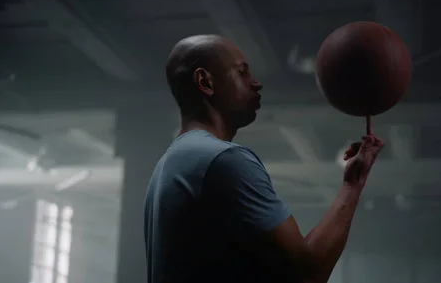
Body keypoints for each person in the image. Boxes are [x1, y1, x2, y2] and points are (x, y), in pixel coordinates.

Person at [144, 34, 385, 283]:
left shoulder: (168, 165)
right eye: (242, 72)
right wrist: (352, 185)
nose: (256, 83)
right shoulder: (224, 160)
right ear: (205, 81)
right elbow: (308, 274)